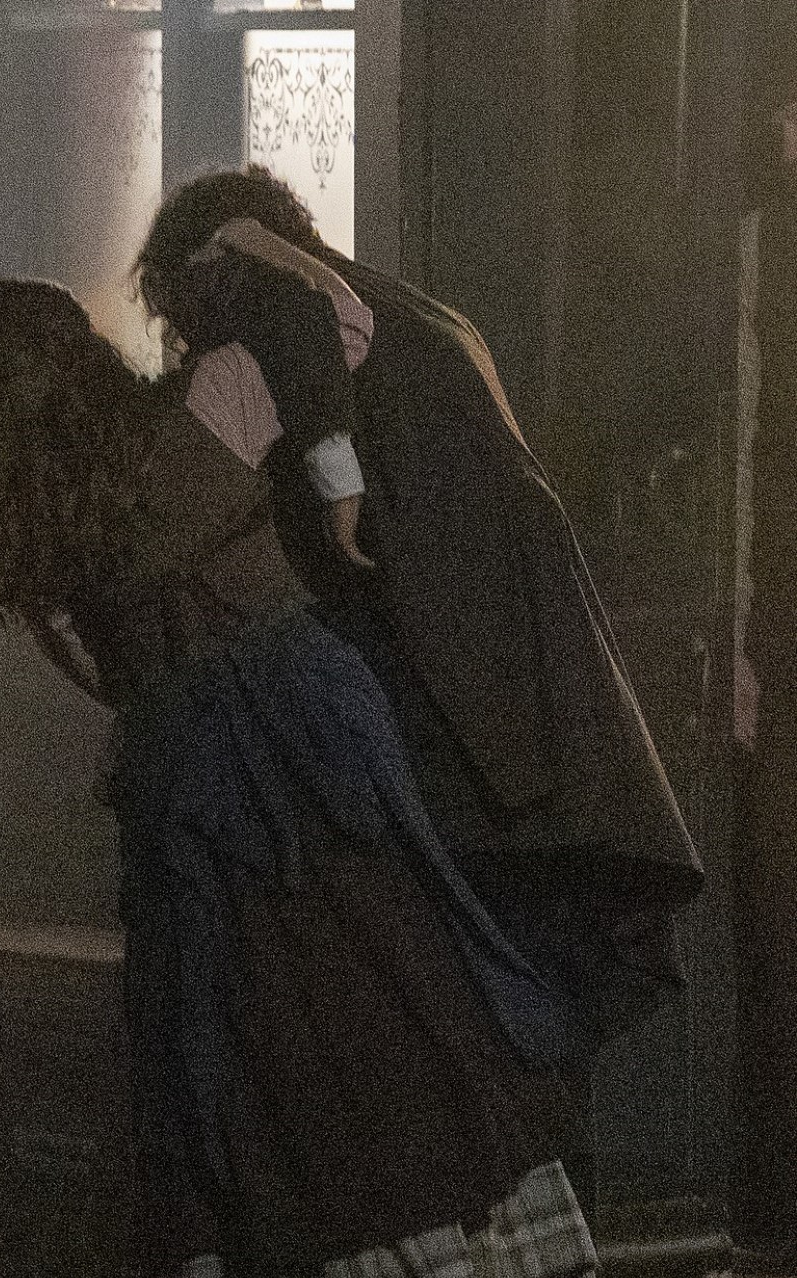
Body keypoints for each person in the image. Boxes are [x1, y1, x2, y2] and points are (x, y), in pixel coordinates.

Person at [0, 276, 605, 1278]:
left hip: (186, 764)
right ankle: (519, 1271)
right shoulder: (214, 396)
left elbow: (94, 674)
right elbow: (343, 322)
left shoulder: (32, 509)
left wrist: (170, 703)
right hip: (307, 722)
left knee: (231, 1030)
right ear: (88, 343)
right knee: (406, 984)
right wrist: (242, 244)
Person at [132, 168, 705, 1076]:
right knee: (535, 995)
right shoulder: (428, 320)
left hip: (450, 698)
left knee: (472, 1010)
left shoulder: (273, 290)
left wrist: (333, 491)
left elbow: (298, 317)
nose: (178, 334)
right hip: (528, 689)